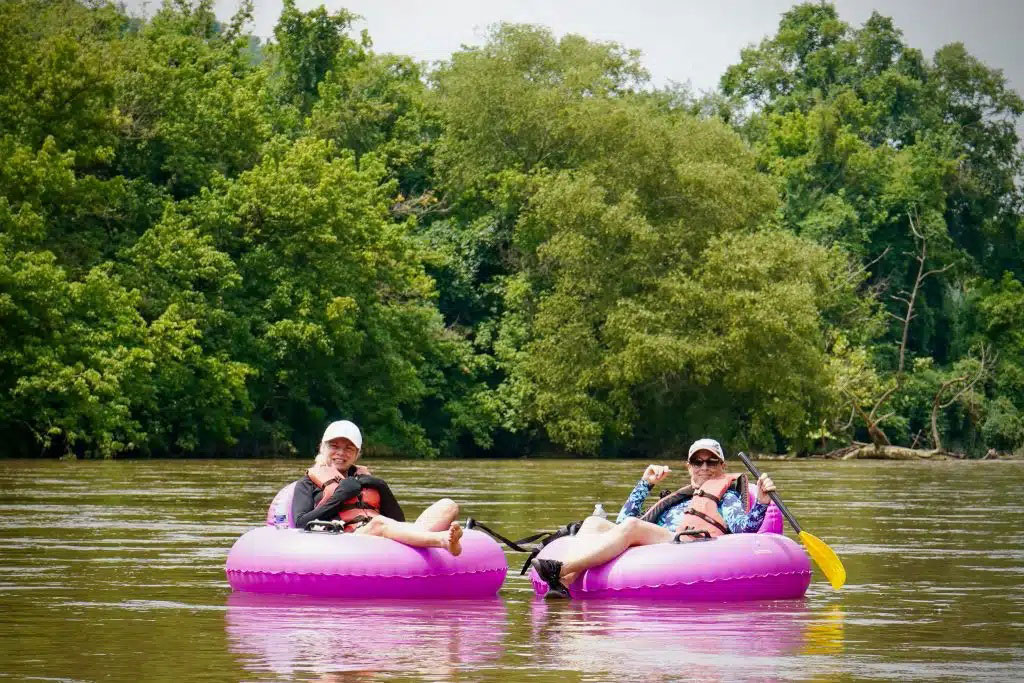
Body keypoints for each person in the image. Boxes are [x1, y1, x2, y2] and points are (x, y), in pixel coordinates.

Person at [531, 438, 776, 598]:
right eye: (697, 462)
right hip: (656, 543)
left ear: (722, 466)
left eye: (711, 461)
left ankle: (562, 568)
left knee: (633, 526)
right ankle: (565, 581)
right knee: (593, 522)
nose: (704, 467)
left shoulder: (727, 497)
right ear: (688, 466)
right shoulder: (679, 498)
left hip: (689, 545)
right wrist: (645, 484)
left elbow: (744, 530)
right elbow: (622, 522)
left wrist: (762, 501)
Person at [291, 420, 464, 555]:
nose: (341, 453)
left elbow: (399, 521)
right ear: (322, 448)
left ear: (357, 454)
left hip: (382, 531)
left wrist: (382, 487)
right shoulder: (306, 483)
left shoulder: (366, 479)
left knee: (448, 505)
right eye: (334, 446)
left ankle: (425, 539)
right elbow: (300, 523)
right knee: (378, 523)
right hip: (349, 537)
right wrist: (340, 496)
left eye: (349, 448)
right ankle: (442, 541)